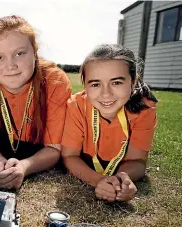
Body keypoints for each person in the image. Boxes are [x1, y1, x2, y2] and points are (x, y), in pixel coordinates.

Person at [0, 15, 72, 189]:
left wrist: (24, 167)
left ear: (35, 50)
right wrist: (0, 164)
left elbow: (54, 149)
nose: (10, 66)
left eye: (19, 53)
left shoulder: (55, 81)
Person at [61, 44, 158, 202]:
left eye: (116, 83)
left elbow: (138, 161)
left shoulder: (145, 109)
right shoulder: (76, 105)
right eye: (95, 84)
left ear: (133, 82)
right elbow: (69, 156)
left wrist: (121, 180)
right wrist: (97, 180)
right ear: (84, 86)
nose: (106, 94)